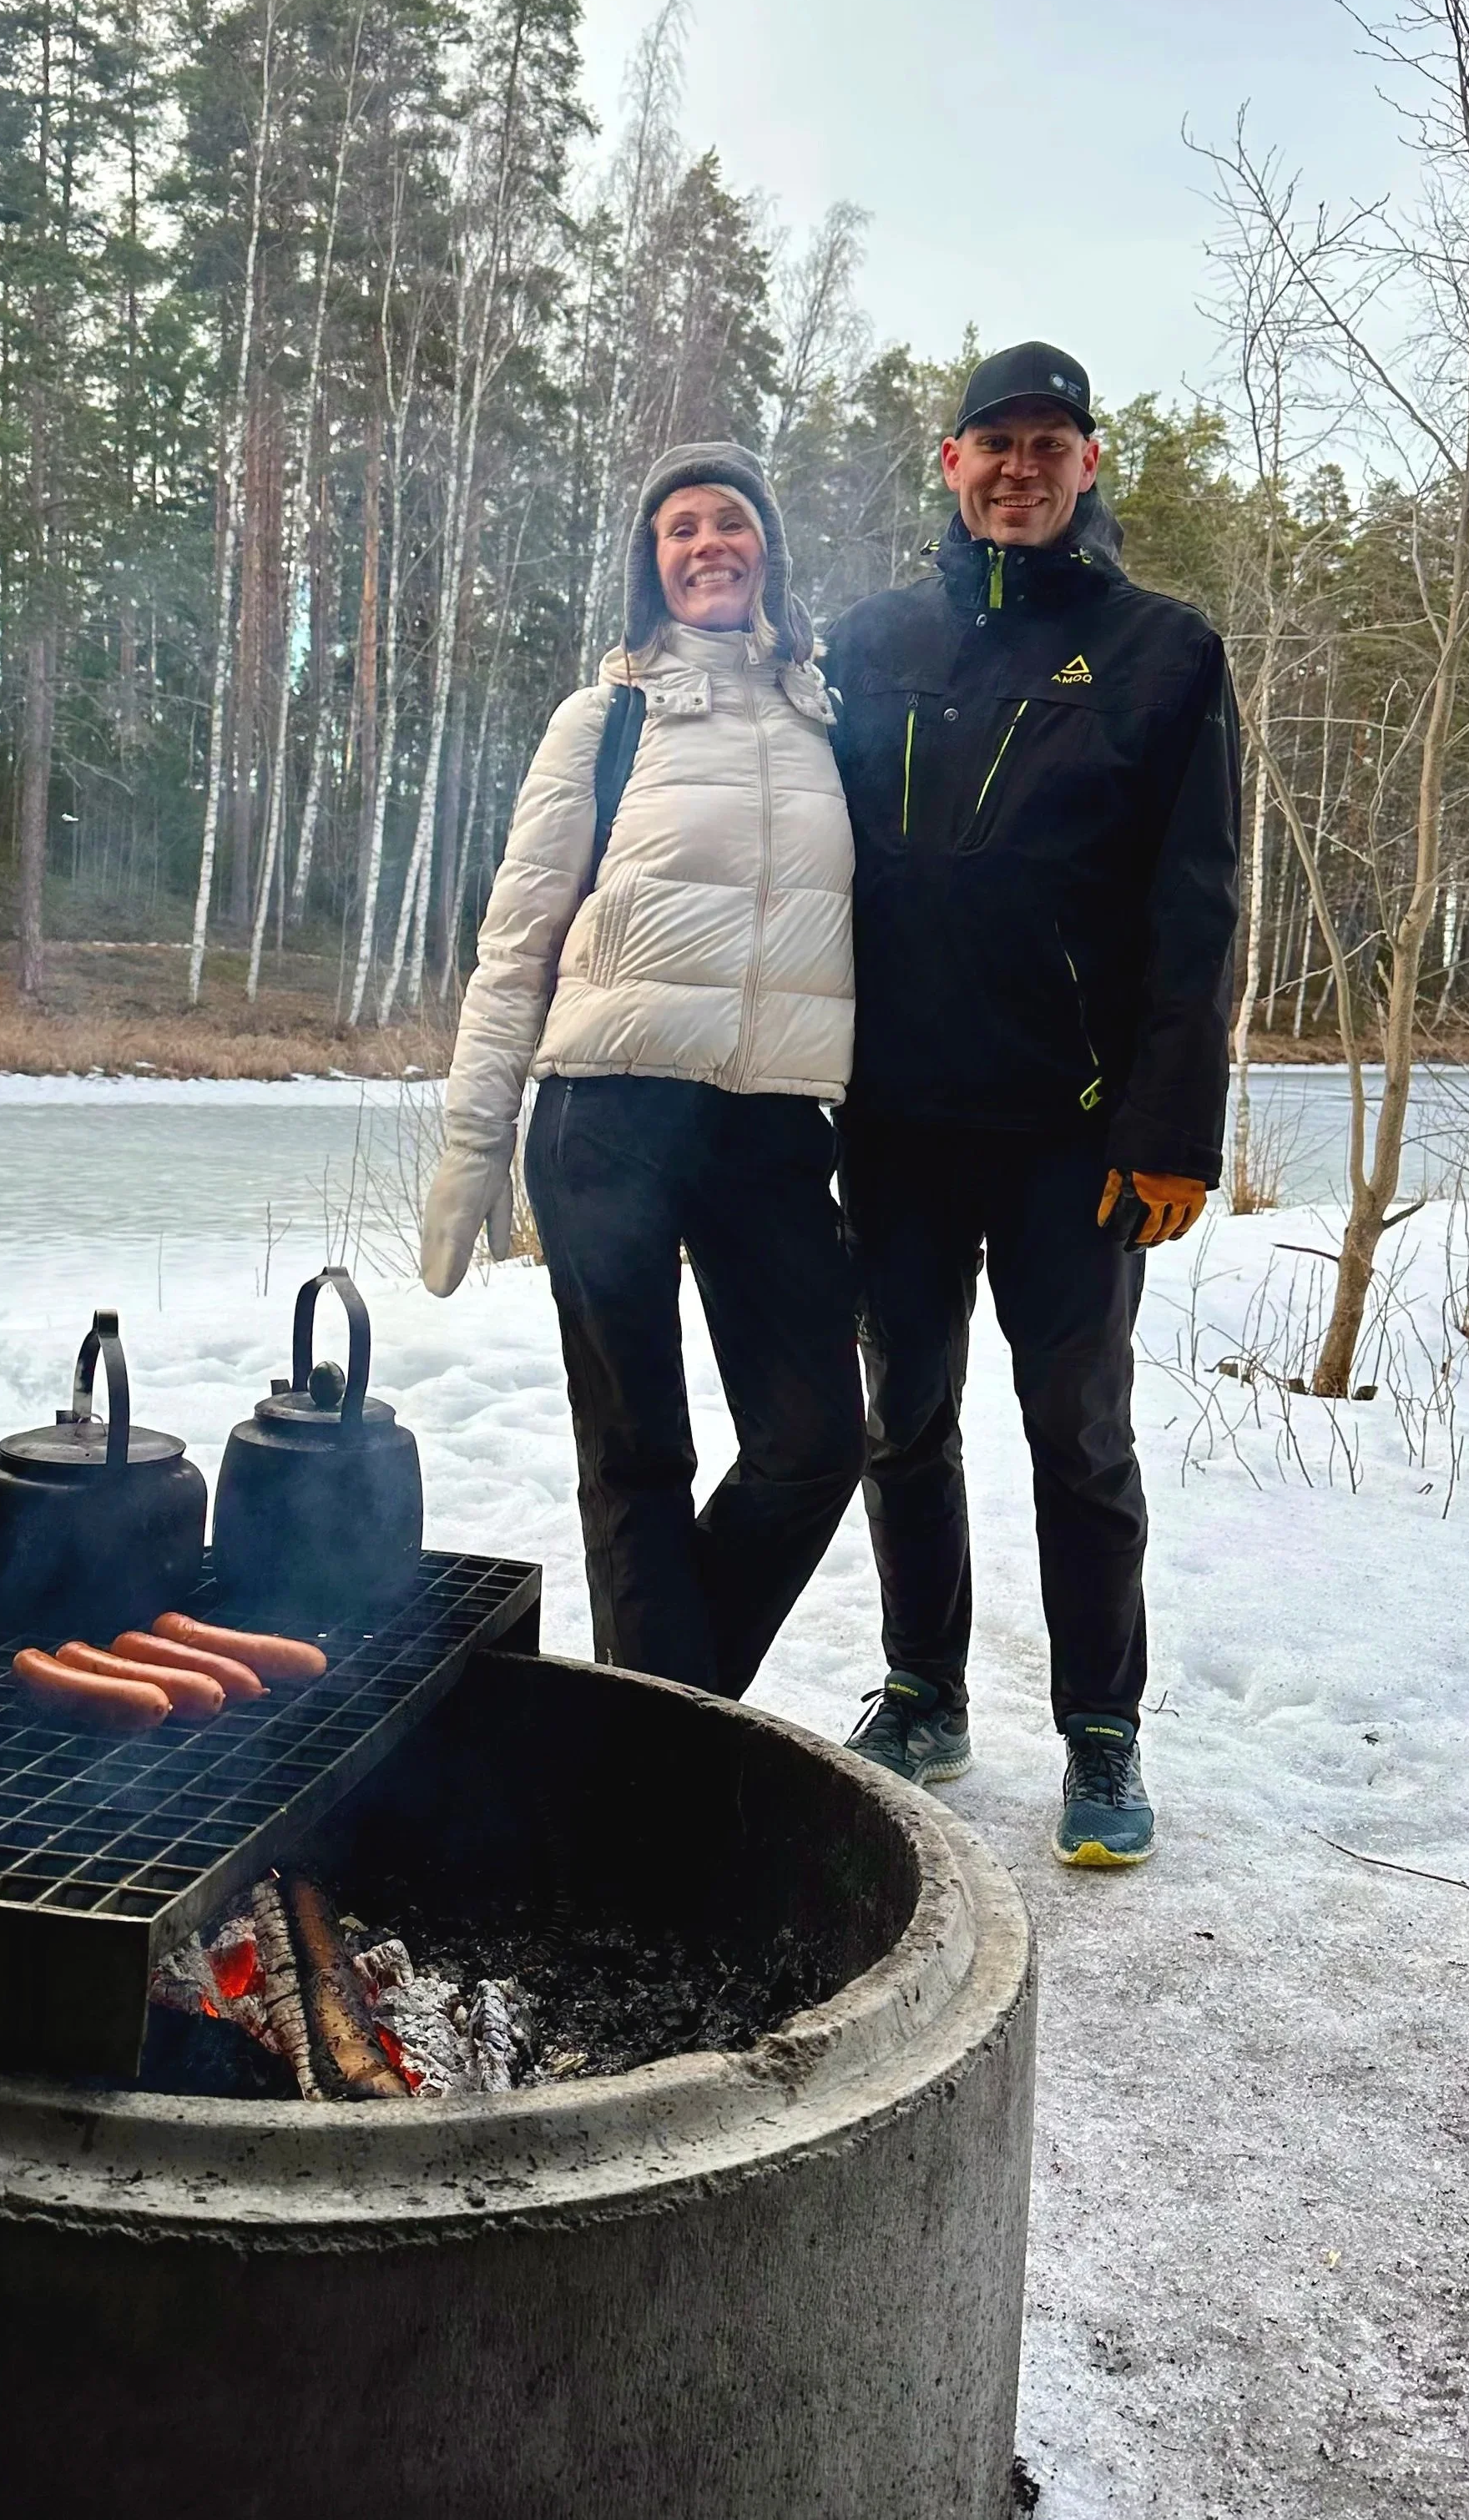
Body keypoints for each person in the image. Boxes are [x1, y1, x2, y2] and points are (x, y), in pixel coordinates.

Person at [822, 342, 1239, 1864]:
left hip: (1074, 1128)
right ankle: (925, 1687)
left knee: (1079, 1429)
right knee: (904, 1415)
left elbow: (1197, 904)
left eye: (1047, 443)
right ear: (949, 462)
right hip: (896, 1121)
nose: (1018, 466)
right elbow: (800, 863)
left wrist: (1173, 1127)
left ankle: (1103, 1733)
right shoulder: (869, 640)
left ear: (1089, 462)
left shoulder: (1162, 653)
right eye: (991, 440)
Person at [420, 441, 862, 1698]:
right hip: (607, 1111)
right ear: (650, 563)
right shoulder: (604, 718)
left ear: (767, 544)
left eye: (730, 520)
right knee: (637, 1455)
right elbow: (516, 942)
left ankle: (660, 1713)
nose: (708, 542)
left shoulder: (829, 719)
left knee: (814, 1442)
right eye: (680, 528)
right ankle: (666, 1752)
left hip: (773, 1126)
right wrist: (473, 1142)